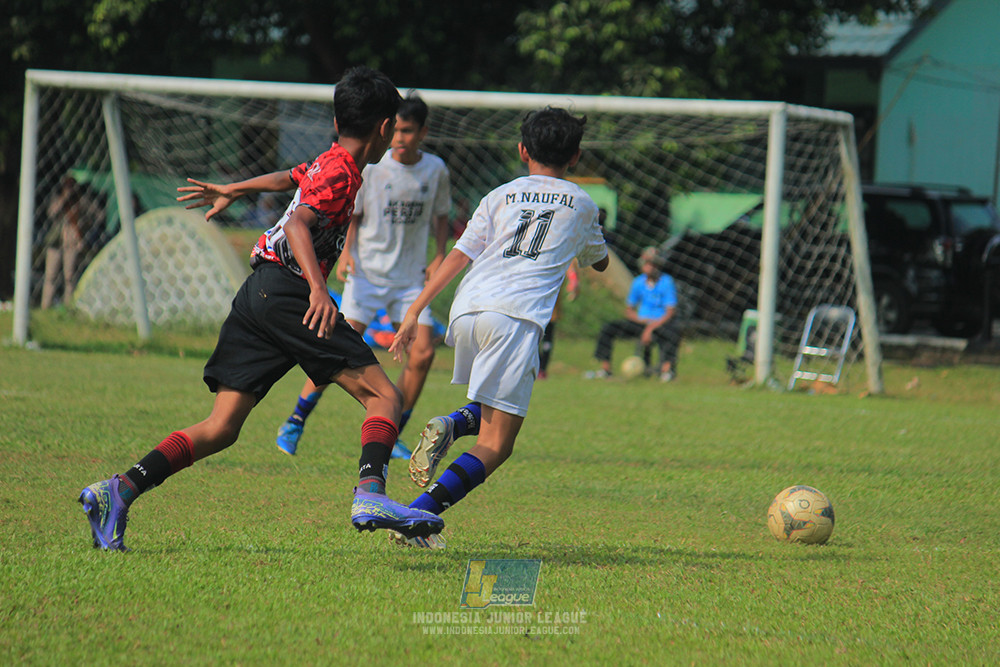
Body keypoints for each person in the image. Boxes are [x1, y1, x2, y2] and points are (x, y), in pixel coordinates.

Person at [77, 66, 443, 552]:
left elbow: (290, 178)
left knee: (221, 426)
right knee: (385, 398)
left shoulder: (331, 161)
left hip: (259, 293)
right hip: (289, 292)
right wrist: (317, 288)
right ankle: (371, 495)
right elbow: (298, 226)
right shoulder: (343, 171)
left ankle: (118, 491)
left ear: (338, 123)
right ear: (382, 128)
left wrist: (236, 189)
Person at [389, 107, 609, 548]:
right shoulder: (583, 203)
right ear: (577, 155)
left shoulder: (501, 194)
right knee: (497, 444)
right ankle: (417, 518)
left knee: (489, 414)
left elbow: (459, 253)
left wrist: (415, 310)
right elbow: (599, 260)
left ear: (523, 150)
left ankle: (452, 424)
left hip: (468, 309)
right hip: (514, 317)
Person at [275, 92, 452, 459]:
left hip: (409, 281)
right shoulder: (373, 167)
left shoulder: (435, 170)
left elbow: (440, 217)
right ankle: (296, 418)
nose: (400, 137)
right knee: (337, 345)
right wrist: (347, 254)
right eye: (397, 129)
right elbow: (353, 215)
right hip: (367, 274)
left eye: (409, 130)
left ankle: (393, 433)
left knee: (422, 352)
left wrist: (438, 254)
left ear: (423, 132)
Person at [588, 246, 680, 382]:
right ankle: (605, 368)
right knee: (608, 328)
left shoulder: (666, 282)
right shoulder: (638, 283)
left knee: (672, 333)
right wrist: (641, 321)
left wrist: (650, 328)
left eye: (653, 264)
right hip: (641, 322)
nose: (650, 267)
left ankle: (667, 370)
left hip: (659, 323)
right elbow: (629, 310)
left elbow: (670, 311)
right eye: (648, 263)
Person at [537, 260, 579, 379]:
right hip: (534, 303)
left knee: (546, 337)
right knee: (534, 338)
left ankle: (542, 369)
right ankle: (537, 368)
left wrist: (573, 281)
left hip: (549, 305)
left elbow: (570, 265)